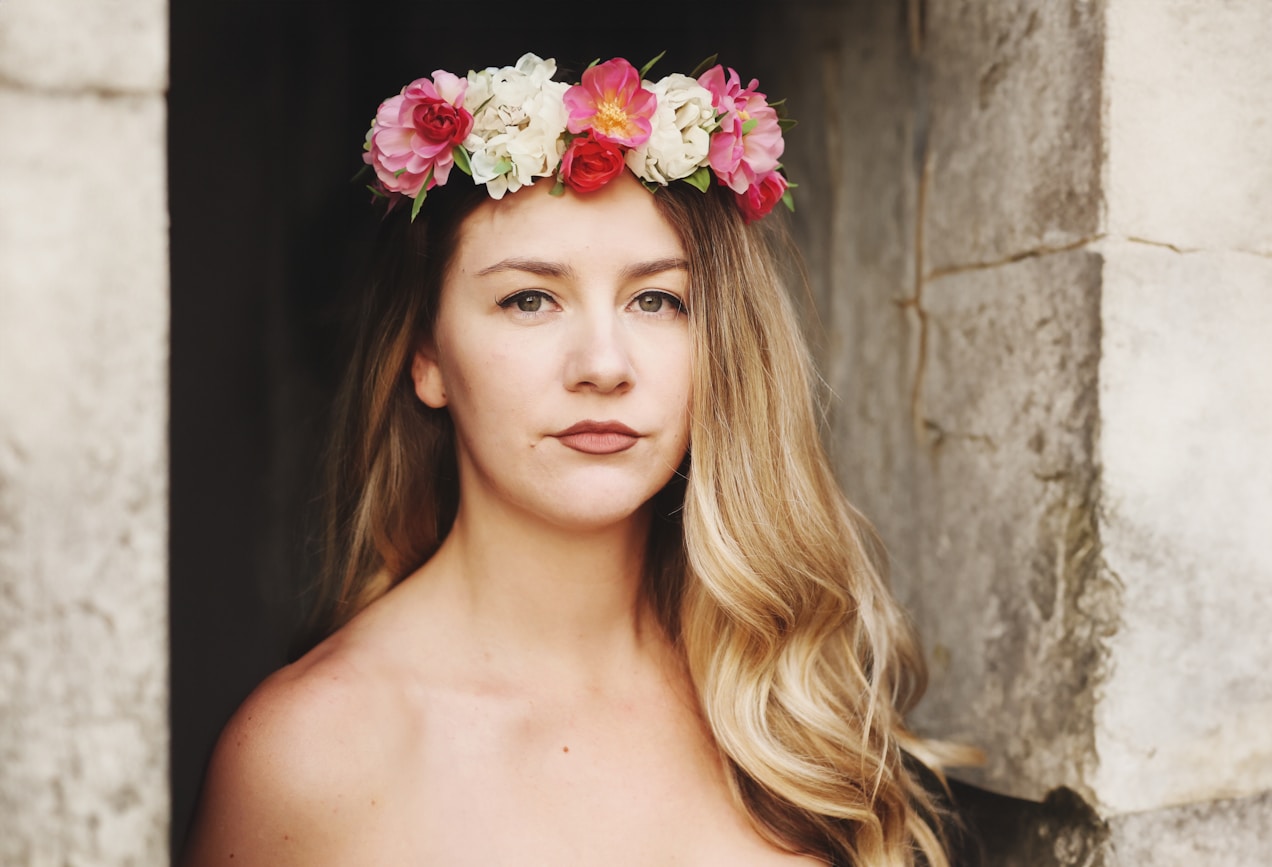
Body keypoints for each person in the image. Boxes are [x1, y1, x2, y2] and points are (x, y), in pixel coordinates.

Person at [181, 53, 966, 867]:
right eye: (530, 298)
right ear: (427, 357)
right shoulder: (309, 754)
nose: (603, 363)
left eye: (656, 300)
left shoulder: (790, 713)